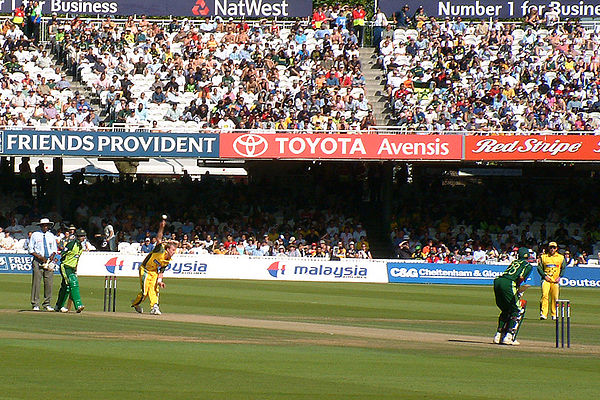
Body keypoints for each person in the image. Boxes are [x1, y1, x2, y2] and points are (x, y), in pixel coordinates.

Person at [131, 217, 177, 315]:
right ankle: (135, 304)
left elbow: (161, 271)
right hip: (145, 270)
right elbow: (159, 238)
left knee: (154, 289)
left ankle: (154, 307)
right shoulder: (160, 249)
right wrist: (161, 228)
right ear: (168, 249)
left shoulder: (167, 260)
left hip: (154, 272)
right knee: (144, 293)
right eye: (173, 250)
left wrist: (160, 281)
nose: (174, 252)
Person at [493, 247, 533, 346]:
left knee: (506, 310)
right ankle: (508, 336)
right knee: (517, 309)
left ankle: (498, 335)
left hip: (498, 281)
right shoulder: (527, 265)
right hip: (508, 283)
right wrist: (518, 289)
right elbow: (520, 277)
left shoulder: (514, 262)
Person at [28, 218, 58, 311]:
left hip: (48, 261)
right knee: (36, 282)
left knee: (49, 283)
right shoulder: (35, 235)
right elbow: (31, 249)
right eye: (44, 225)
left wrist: (50, 258)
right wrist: (41, 258)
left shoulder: (51, 235)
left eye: (47, 225)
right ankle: (35, 304)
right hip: (38, 261)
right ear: (41, 226)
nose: (45, 227)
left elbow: (54, 249)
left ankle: (47, 303)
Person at [55, 229, 87, 313]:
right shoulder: (72, 244)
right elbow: (62, 253)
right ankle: (78, 305)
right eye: (81, 236)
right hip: (65, 266)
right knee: (73, 282)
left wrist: (75, 268)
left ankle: (58, 306)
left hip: (72, 268)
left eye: (83, 236)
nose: (83, 238)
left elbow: (77, 258)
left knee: (66, 287)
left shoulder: (80, 247)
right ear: (77, 236)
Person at [538, 241, 565, 320]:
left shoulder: (561, 257)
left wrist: (560, 277)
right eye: (551, 247)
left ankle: (554, 314)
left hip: (555, 280)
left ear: (556, 248)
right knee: (545, 295)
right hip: (546, 280)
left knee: (555, 297)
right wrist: (544, 276)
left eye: (554, 248)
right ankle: (543, 314)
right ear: (548, 248)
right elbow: (539, 268)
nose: (552, 249)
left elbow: (563, 268)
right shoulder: (544, 257)